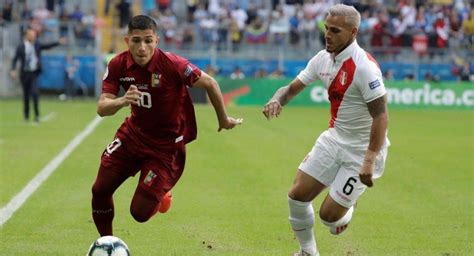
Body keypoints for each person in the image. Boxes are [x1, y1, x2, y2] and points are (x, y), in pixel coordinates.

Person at [91, 15, 243, 237]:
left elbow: (210, 82)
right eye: (136, 40)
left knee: (139, 213)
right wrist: (122, 101)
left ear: (157, 41)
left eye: (148, 40)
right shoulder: (118, 64)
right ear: (126, 41)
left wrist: (223, 119)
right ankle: (107, 244)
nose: (142, 47)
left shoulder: (173, 65)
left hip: (165, 147)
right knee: (100, 190)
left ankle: (163, 194)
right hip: (133, 135)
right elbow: (102, 107)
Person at [262, 4, 389, 256]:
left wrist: (369, 159)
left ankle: (347, 207)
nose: (327, 35)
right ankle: (308, 252)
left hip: (360, 151)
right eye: (326, 29)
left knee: (330, 219)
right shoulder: (322, 58)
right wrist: (277, 99)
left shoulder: (364, 67)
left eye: (335, 30)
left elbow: (381, 115)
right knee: (296, 196)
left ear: (353, 32)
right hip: (333, 139)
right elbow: (289, 89)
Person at [10, 28, 65, 123]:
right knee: (26, 96)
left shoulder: (37, 45)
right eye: (31, 34)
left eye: (34, 35)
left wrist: (58, 42)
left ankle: (37, 115)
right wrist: (13, 69)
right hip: (24, 74)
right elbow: (15, 59)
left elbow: (47, 46)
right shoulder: (21, 47)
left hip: (34, 73)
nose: (33, 36)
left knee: (35, 93)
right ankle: (26, 116)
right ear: (26, 36)